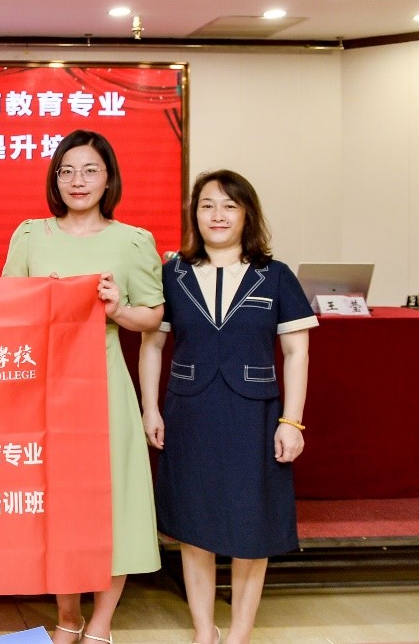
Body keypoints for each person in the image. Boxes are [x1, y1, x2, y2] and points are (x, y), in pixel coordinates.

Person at [1, 129, 164, 644]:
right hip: (44, 387)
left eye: (90, 170)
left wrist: (118, 309)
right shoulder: (31, 236)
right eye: (67, 171)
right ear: (54, 179)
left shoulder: (132, 241)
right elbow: (5, 310)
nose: (78, 181)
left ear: (109, 179)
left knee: (113, 504)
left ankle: (100, 623)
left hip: (106, 384)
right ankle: (67, 616)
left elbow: (152, 317)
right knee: (59, 505)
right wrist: (40, 303)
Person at [139, 170, 316, 644]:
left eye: (229, 205)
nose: (217, 215)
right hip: (189, 414)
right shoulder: (172, 274)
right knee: (194, 528)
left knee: (250, 530)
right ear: (194, 215)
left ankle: (238, 635)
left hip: (254, 416)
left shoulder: (275, 275)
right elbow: (152, 344)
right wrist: (150, 409)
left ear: (247, 214)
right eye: (207, 205)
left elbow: (297, 352)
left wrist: (291, 421)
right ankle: (205, 631)